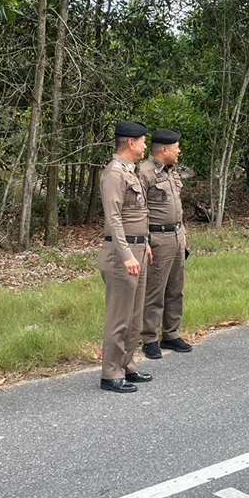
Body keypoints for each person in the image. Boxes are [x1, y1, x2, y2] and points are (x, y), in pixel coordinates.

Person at [99, 122, 155, 393]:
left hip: (138, 250)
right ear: (131, 143)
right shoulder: (114, 173)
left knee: (135, 316)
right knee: (119, 317)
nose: (145, 146)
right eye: (143, 141)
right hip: (122, 254)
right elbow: (114, 218)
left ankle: (126, 364)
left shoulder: (130, 171)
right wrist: (126, 255)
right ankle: (110, 373)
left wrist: (145, 244)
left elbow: (137, 214)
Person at [139, 129, 191, 360]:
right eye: (176, 148)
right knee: (155, 290)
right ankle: (150, 338)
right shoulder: (144, 172)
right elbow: (139, 210)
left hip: (177, 235)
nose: (179, 151)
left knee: (176, 289)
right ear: (164, 149)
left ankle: (171, 334)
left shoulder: (171, 171)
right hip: (158, 238)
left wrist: (184, 236)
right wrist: (145, 241)